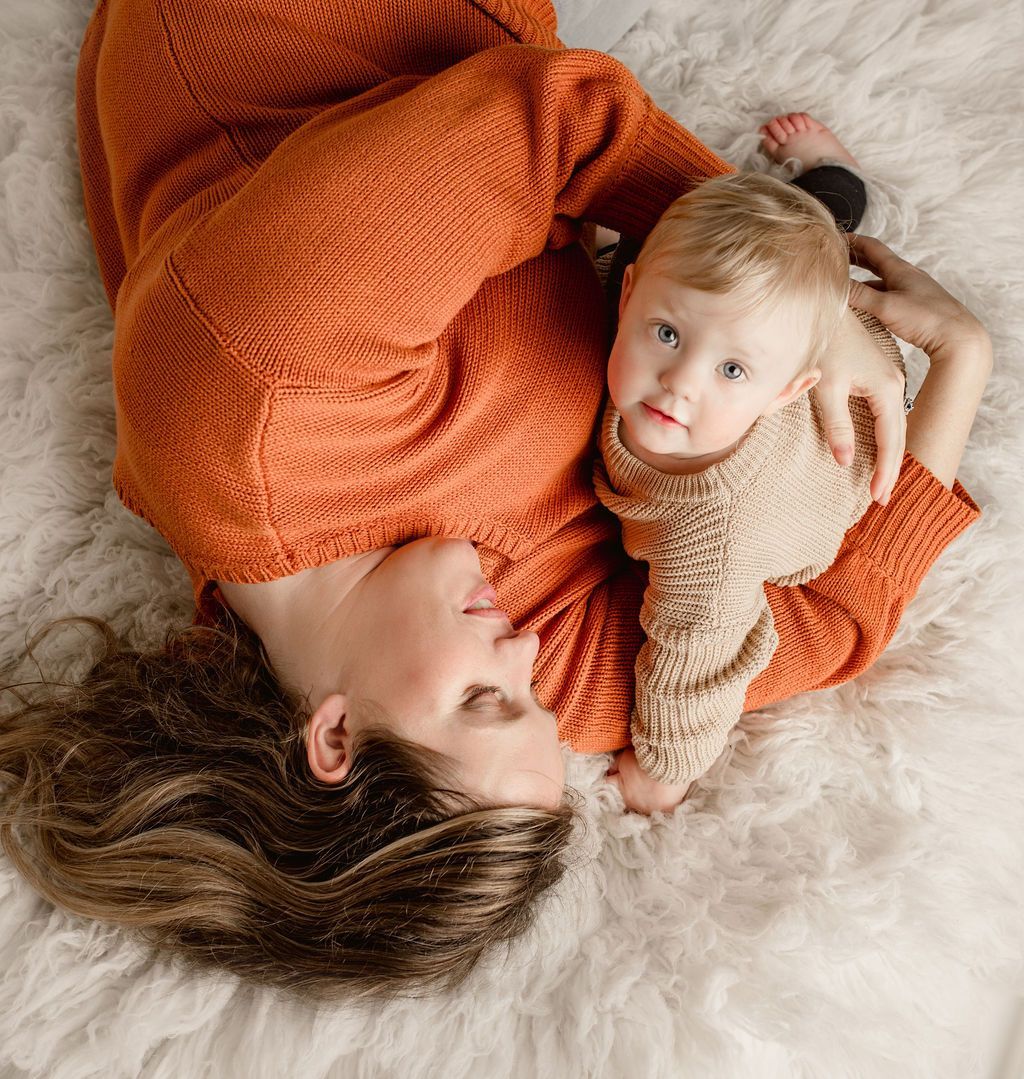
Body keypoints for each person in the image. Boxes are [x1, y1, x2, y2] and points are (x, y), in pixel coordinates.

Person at [0, 0, 985, 1002]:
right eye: (534, 712)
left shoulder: (257, 386)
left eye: (485, 698)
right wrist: (956, 361)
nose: (527, 666)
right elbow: (821, 628)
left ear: (333, 735)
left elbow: (547, 121)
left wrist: (809, 302)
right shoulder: (500, 649)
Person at [592, 160, 907, 808]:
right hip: (781, 334)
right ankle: (836, 185)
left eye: (729, 370)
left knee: (792, 272)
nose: (682, 381)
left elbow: (696, 666)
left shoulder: (711, 541)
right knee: (772, 247)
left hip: (861, 444)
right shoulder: (650, 341)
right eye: (667, 333)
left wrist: (663, 770)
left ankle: (834, 201)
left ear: (786, 393)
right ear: (628, 297)